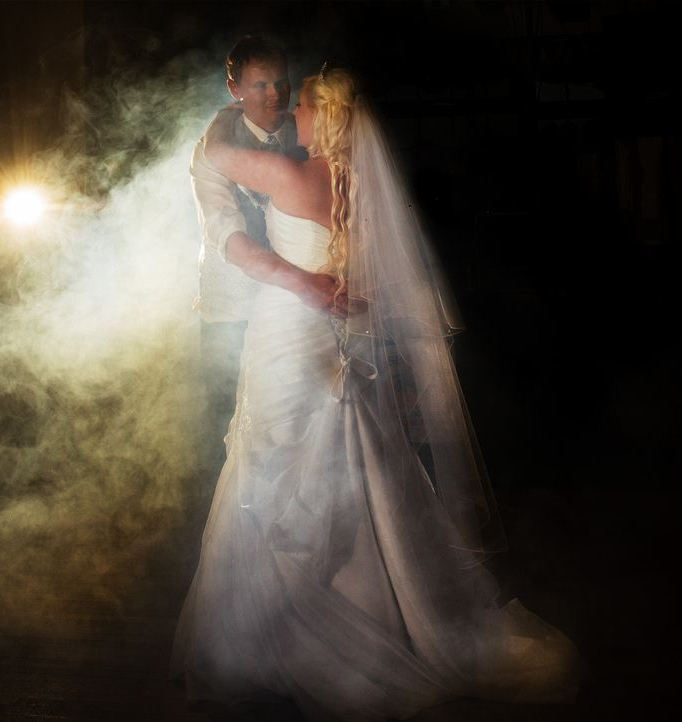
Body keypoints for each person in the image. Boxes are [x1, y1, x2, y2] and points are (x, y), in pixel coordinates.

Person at [172, 66, 581, 719]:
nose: (291, 114)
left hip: (290, 339)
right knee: (355, 471)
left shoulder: (292, 176)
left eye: (302, 105)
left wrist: (230, 107)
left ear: (325, 115)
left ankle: (277, 639)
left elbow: (218, 155)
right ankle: (378, 607)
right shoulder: (360, 188)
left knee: (269, 470)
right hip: (342, 344)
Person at [191, 37, 307, 478]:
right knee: (229, 422)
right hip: (234, 303)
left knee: (291, 420)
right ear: (234, 88)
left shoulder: (307, 131)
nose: (275, 94)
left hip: (294, 305)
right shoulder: (212, 147)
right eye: (260, 86)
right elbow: (223, 228)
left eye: (281, 82)